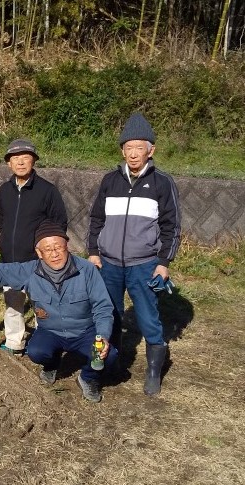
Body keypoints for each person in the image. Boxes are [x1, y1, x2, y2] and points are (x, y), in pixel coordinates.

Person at [0, 220, 117, 403]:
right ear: (39, 253)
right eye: (48, 249)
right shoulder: (30, 271)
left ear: (67, 246)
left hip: (84, 331)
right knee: (36, 352)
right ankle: (51, 365)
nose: (54, 254)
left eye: (58, 248)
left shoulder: (87, 270)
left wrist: (103, 336)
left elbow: (103, 306)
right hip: (51, 331)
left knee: (109, 356)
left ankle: (88, 378)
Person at [87, 112, 181, 396]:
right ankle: (109, 363)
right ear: (122, 150)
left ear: (151, 150)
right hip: (109, 263)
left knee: (147, 317)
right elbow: (96, 219)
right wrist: (93, 252)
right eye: (128, 147)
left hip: (144, 264)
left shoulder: (163, 183)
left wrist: (163, 263)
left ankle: (153, 372)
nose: (133, 153)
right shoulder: (109, 180)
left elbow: (172, 226)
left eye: (139, 147)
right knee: (109, 315)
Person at [0, 138, 67, 356]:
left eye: (25, 158)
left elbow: (59, 223)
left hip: (38, 261)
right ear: (9, 163)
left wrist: (46, 251)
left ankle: (42, 342)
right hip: (10, 258)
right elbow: (1, 220)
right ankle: (14, 341)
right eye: (15, 158)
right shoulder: (5, 190)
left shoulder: (47, 191)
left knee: (41, 303)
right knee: (13, 302)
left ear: (34, 161)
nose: (20, 162)